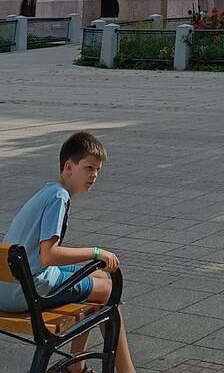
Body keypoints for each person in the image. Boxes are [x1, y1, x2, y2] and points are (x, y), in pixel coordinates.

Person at [0, 129, 136, 373]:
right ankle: (121, 371)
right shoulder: (58, 198)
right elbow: (49, 255)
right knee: (108, 288)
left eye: (97, 170)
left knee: (101, 278)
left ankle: (78, 367)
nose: (94, 175)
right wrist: (96, 252)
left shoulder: (47, 191)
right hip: (26, 292)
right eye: (88, 168)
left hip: (6, 287)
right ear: (68, 167)